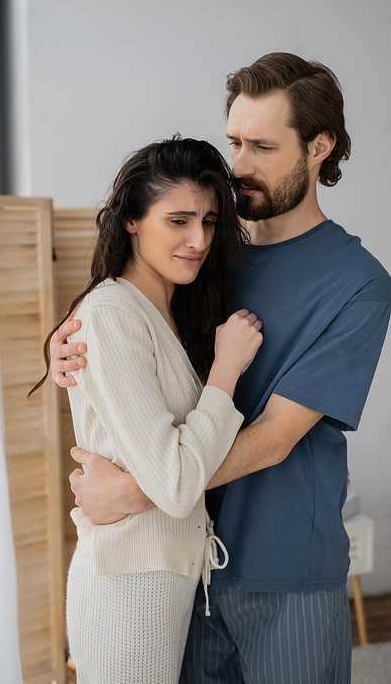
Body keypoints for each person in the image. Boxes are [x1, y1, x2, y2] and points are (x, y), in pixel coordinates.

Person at [52, 53, 391, 684]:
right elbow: (131, 332)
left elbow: (275, 437)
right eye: (235, 141)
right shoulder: (204, 252)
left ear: (320, 147)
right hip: (183, 570)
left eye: (263, 146)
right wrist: (64, 342)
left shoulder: (358, 284)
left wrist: (138, 489)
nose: (238, 167)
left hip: (283, 567)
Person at [32, 136, 263, 684]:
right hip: (128, 586)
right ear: (132, 221)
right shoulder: (114, 313)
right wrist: (226, 371)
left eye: (208, 221)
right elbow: (178, 483)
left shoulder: (167, 309)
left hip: (155, 582)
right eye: (178, 220)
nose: (198, 238)